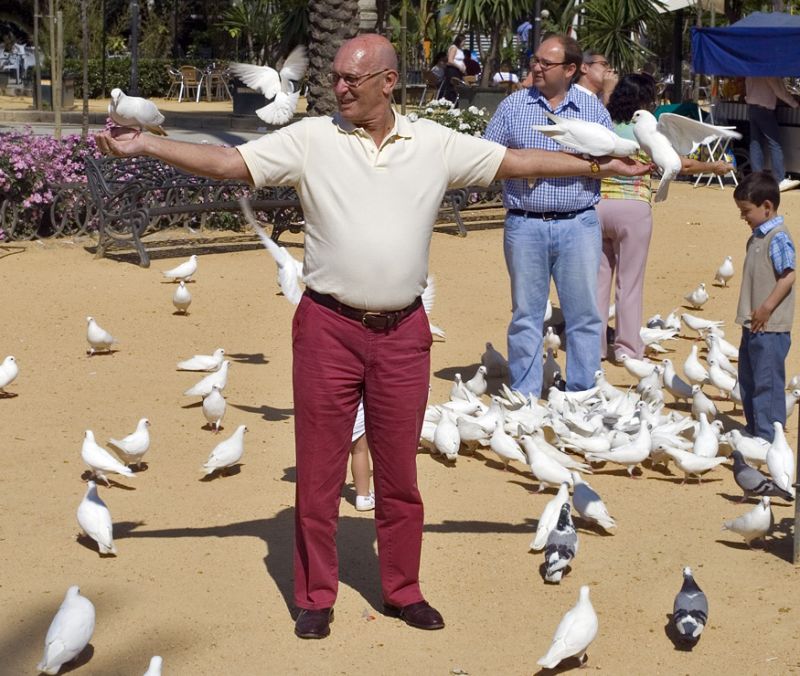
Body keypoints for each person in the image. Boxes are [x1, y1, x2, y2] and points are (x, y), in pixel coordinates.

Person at [96, 34, 648, 641]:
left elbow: (516, 162)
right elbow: (232, 163)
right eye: (335, 77)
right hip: (327, 328)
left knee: (400, 476)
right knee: (320, 471)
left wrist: (598, 164)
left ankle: (403, 590)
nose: (339, 88)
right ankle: (315, 596)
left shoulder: (432, 144)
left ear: (389, 82)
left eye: (352, 80)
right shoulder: (311, 139)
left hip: (404, 332)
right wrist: (145, 142)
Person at [483, 34, 614, 398]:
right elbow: (488, 160)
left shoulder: (592, 112)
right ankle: (524, 395)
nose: (535, 67)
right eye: (534, 60)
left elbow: (610, 163)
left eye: (546, 62)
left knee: (584, 315)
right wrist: (518, 168)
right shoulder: (513, 107)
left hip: (578, 223)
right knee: (526, 315)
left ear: (570, 69)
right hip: (525, 224)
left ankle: (582, 393)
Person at [596, 74, 733, 361]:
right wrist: (712, 166)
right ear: (645, 101)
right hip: (633, 208)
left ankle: (592, 347)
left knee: (597, 283)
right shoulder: (647, 129)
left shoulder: (603, 122)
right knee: (629, 284)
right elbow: (677, 162)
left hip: (598, 207)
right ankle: (627, 349)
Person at [733, 172, 795, 441]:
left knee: (767, 383)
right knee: (748, 379)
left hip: (770, 328)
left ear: (767, 207)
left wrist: (767, 307)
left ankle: (770, 439)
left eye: (746, 211)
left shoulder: (778, 237)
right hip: (753, 324)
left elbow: (789, 275)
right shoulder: (757, 236)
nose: (743, 217)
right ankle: (755, 429)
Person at [744, 76, 800, 192]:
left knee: (755, 144)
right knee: (775, 143)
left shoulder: (750, 69)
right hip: (764, 110)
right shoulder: (769, 71)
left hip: (752, 108)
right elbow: (780, 91)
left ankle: (756, 179)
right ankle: (779, 179)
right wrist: (795, 104)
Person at [442, 33, 467, 103]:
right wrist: (459, 67)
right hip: (452, 70)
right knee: (452, 87)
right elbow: (450, 60)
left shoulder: (460, 49)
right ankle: (451, 102)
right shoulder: (454, 48)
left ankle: (456, 102)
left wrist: (463, 67)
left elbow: (460, 60)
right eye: (463, 41)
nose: (464, 43)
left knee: (457, 87)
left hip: (459, 71)